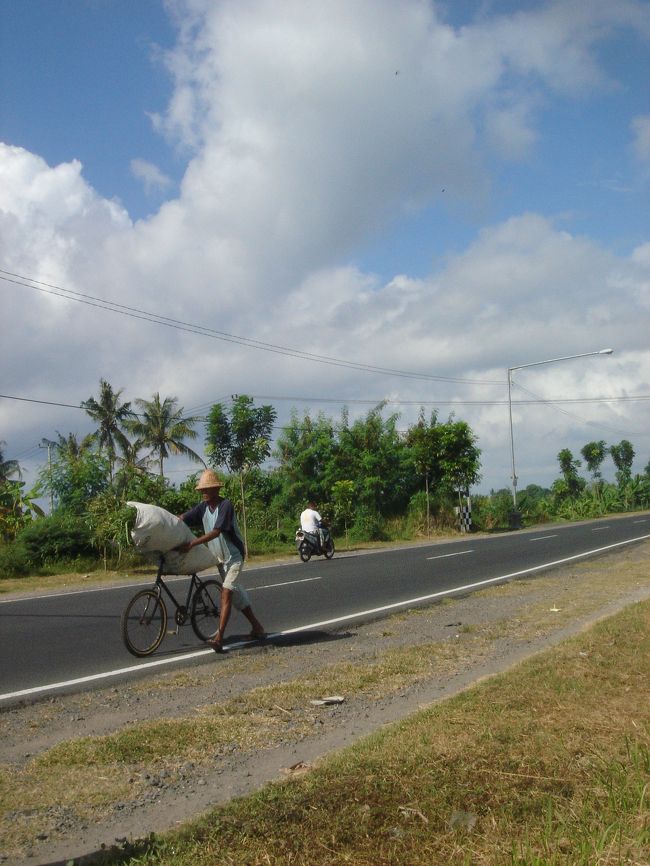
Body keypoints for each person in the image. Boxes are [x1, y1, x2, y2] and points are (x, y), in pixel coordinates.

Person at [177, 469, 265, 652]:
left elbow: (217, 531)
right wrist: (172, 522)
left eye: (207, 489)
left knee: (226, 593)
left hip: (234, 558)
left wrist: (192, 544)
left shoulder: (225, 505)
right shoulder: (203, 508)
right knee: (236, 597)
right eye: (202, 490)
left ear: (216, 489)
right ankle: (257, 628)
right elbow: (185, 517)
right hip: (220, 559)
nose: (204, 493)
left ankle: (219, 638)